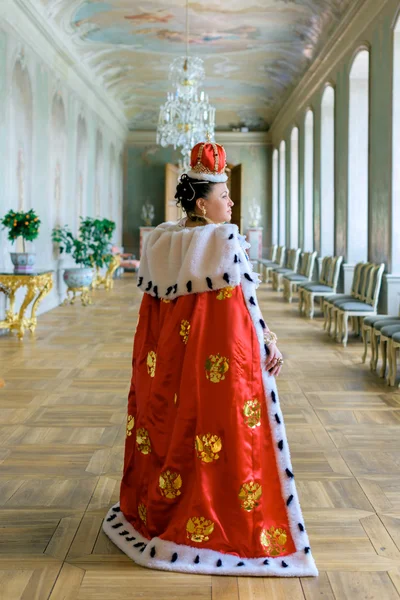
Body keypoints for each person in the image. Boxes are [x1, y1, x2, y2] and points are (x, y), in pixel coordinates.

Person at [103, 141, 318, 577]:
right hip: (213, 368)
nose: (232, 201)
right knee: (219, 432)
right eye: (224, 196)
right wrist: (268, 343)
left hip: (172, 369)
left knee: (172, 429)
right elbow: (243, 311)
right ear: (202, 203)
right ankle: (218, 516)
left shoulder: (164, 241)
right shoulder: (221, 241)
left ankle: (160, 510)